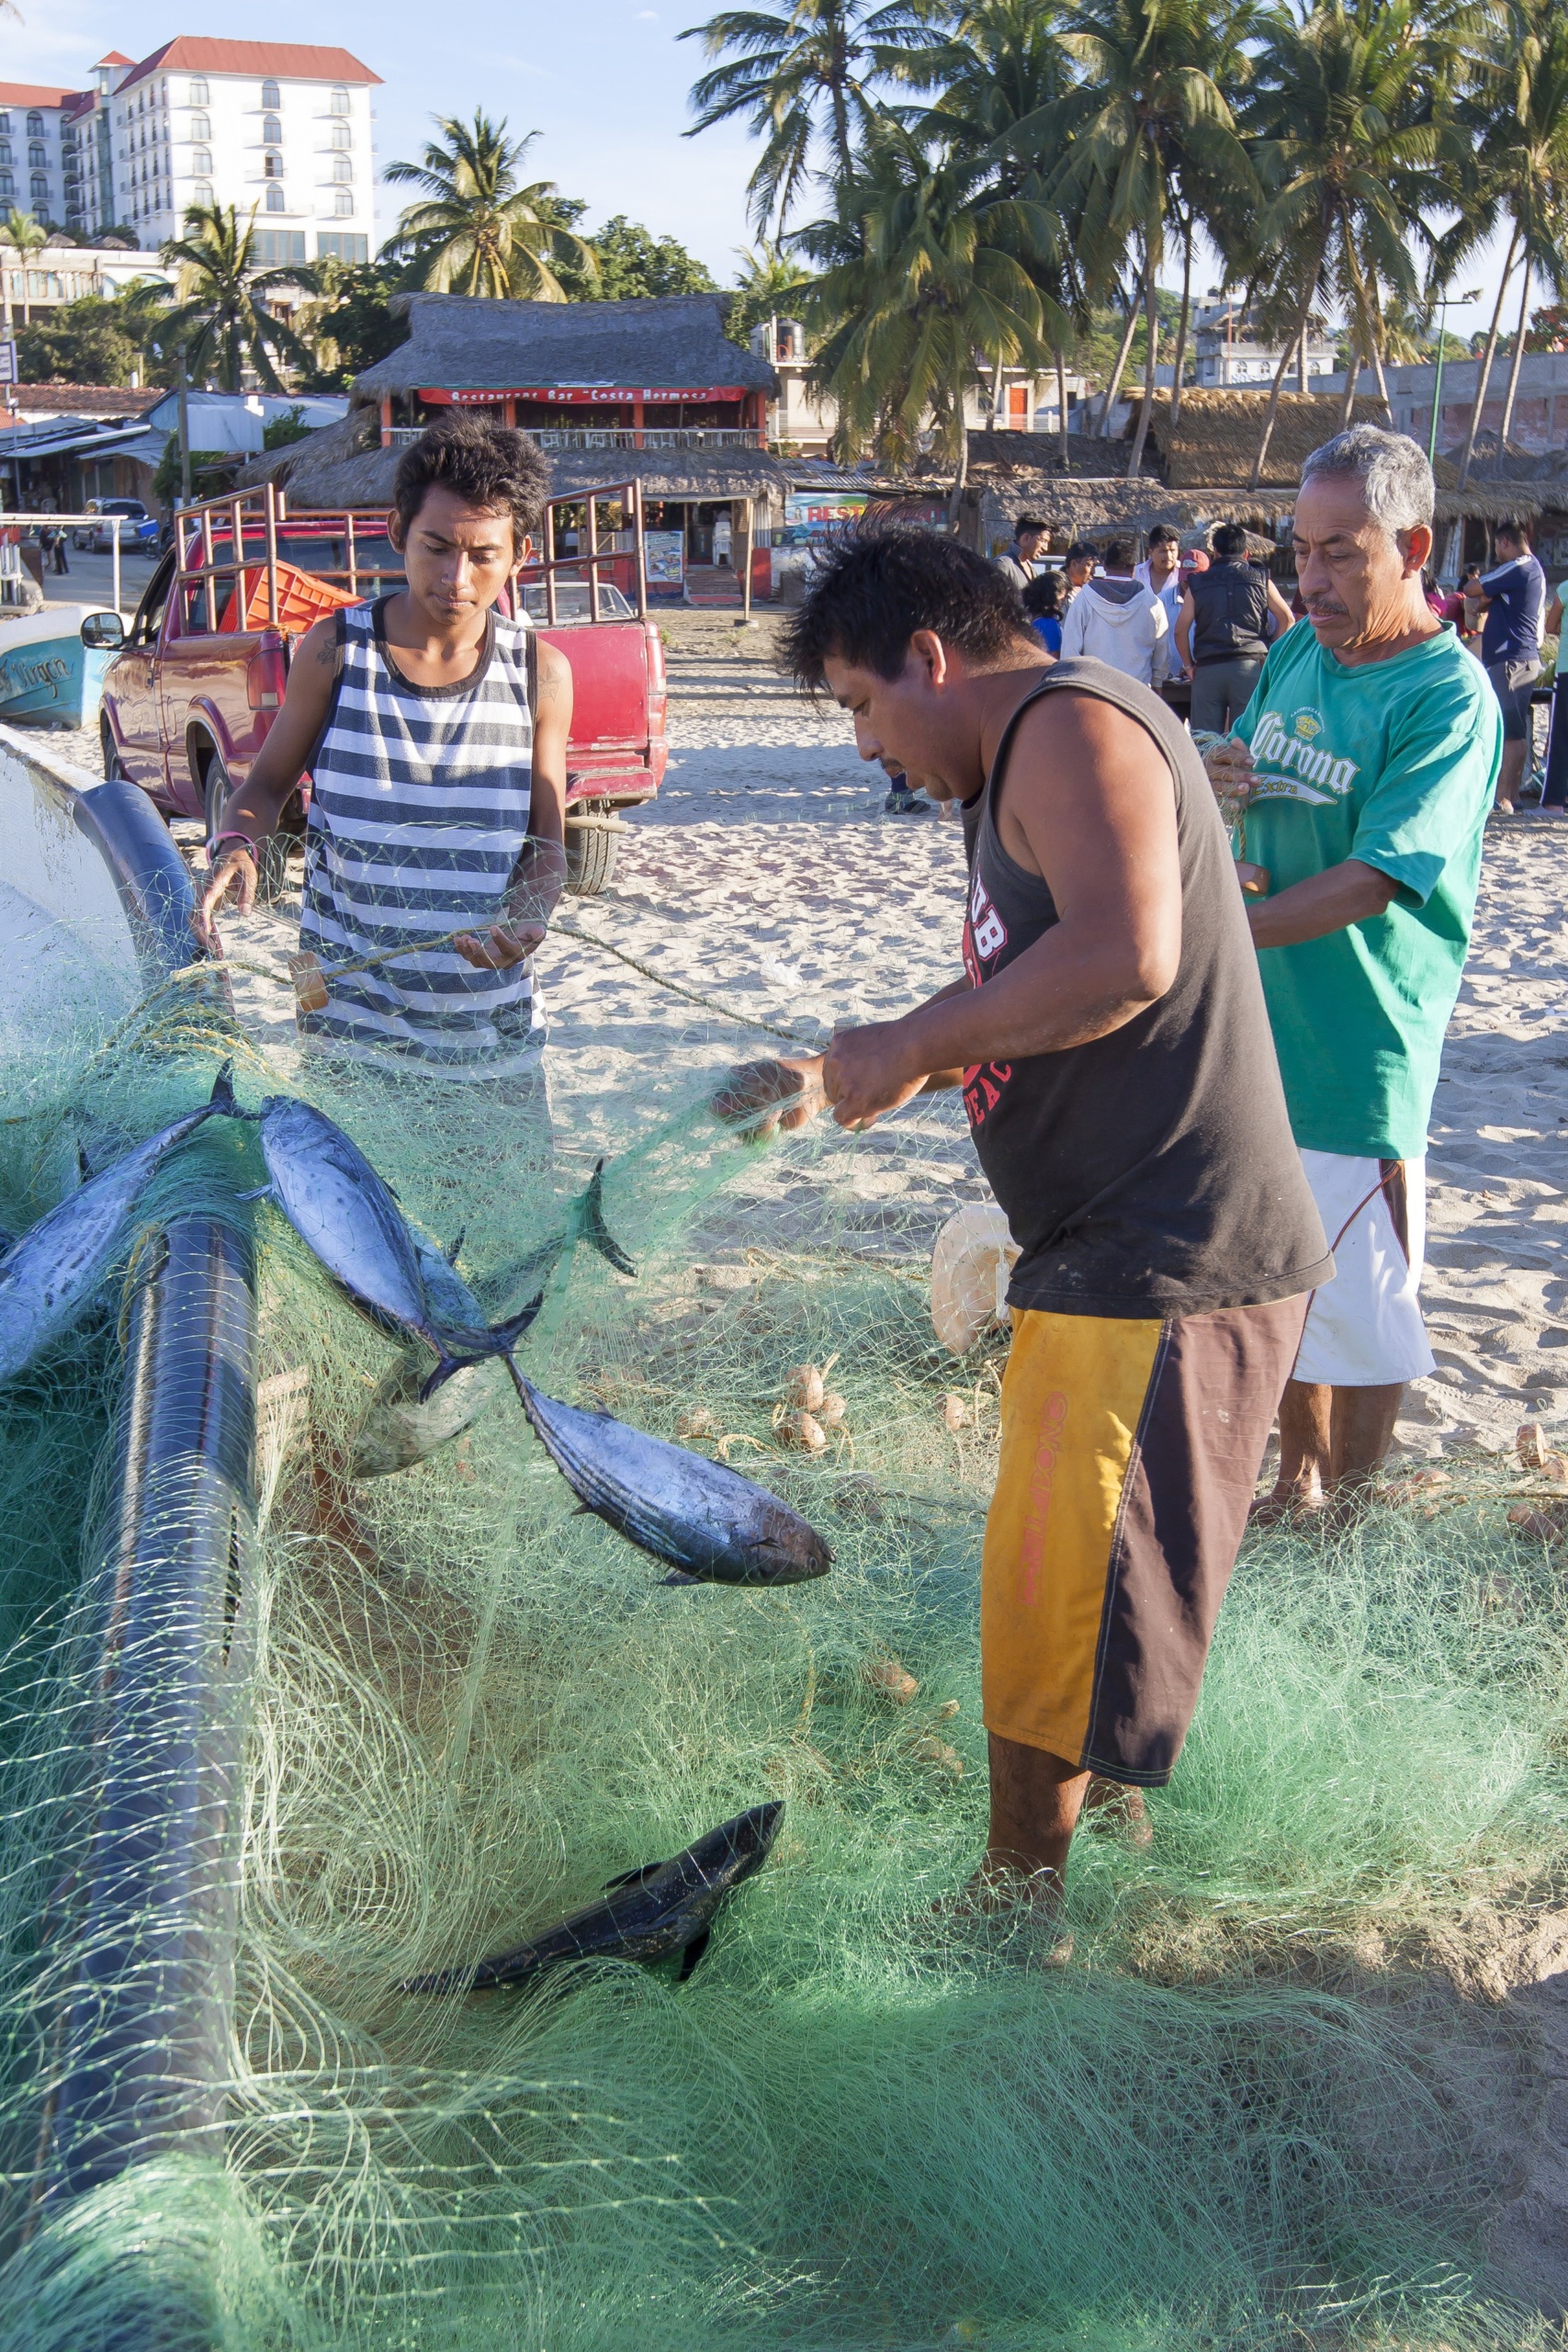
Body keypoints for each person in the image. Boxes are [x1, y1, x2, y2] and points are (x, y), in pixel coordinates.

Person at [716, 529, 1328, 1905]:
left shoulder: (1062, 723)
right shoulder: (1012, 770)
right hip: (1110, 1247)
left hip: (1162, 1252)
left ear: (930, 658)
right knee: (1086, 1594)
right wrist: (845, 1074)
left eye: (860, 707)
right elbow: (1051, 997)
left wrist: (917, 1037)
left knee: (1058, 1597)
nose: (863, 746)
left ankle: (1015, 1911)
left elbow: (1123, 956)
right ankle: (1081, 1857)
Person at [1208, 426, 1501, 1521]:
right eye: (1301, 551)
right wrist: (1223, 774)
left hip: (1360, 1042)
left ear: (1413, 544)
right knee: (1279, 1279)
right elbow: (1251, 778)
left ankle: (1361, 1509)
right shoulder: (1299, 652)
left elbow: (1382, 874)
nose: (1313, 581)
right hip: (1259, 1028)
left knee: (1365, 1304)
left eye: (1343, 554)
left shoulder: (1448, 695)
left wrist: (1238, 933)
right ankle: (1297, 1484)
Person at [194, 414, 570, 1096]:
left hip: (491, 1033)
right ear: (398, 533)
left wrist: (531, 911)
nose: (457, 576)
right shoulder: (335, 649)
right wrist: (237, 841)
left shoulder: (541, 672)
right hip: (351, 1031)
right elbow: (267, 784)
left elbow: (545, 843)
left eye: (484, 554)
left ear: (519, 555)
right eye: (436, 547)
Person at [1177, 523, 1296, 732]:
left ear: (1215, 552)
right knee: (1248, 740)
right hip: (1250, 666)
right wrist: (1271, 656)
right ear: (1247, 553)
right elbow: (1287, 618)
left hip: (1208, 667)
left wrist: (1188, 666)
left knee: (1205, 742)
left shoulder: (1197, 583)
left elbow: (1180, 630)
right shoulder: (1261, 579)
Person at [1475, 520, 1546, 812]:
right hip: (1521, 658)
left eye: (1497, 548)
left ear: (1505, 541)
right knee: (1514, 731)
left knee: (1508, 732)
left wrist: (1483, 590)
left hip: (1511, 660)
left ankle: (1503, 797)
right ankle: (1509, 795)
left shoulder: (1518, 566)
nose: (1497, 554)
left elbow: (1472, 588)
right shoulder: (1532, 570)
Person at [1057, 533, 1170, 688]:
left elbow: (1070, 650)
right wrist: (1157, 683)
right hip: (1138, 693)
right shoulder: (1152, 602)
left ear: (1104, 565)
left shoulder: (1084, 598)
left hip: (1094, 691)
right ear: (1134, 567)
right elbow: (1162, 651)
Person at [1134, 525, 1183, 659]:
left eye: (1173, 550)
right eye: (1162, 551)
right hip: (1141, 643)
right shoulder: (1136, 574)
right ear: (1150, 552)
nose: (1168, 556)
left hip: (1174, 644)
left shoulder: (1184, 575)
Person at [996, 514, 1048, 593]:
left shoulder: (1031, 568)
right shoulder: (1003, 565)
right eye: (1043, 541)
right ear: (1026, 538)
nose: (1046, 548)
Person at [1021, 568, 1065, 656]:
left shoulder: (1032, 620)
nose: (1064, 601)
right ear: (1052, 596)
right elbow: (1053, 658)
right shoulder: (1049, 624)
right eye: (1064, 597)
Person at [1059, 541, 1098, 613]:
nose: (1093, 571)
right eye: (1089, 565)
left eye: (1094, 566)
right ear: (1074, 564)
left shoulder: (1090, 591)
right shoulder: (1055, 588)